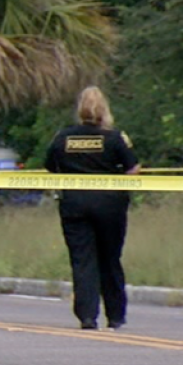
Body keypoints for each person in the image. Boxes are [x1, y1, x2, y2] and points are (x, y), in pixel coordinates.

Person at [44, 86, 141, 330]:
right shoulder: (114, 137)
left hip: (74, 205)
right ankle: (116, 315)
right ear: (104, 110)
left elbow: (49, 166)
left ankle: (87, 316)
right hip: (110, 205)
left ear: (79, 110)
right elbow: (133, 169)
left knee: (82, 260)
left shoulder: (63, 137)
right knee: (110, 258)